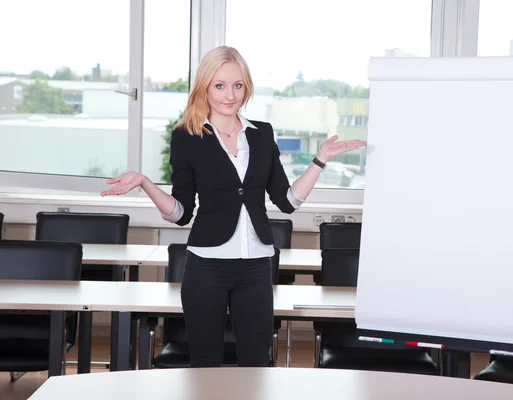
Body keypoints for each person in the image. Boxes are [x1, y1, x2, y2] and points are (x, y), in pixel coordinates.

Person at [100, 45, 366, 367]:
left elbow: (288, 201)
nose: (230, 95)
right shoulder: (187, 136)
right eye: (220, 85)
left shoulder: (262, 134)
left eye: (238, 85)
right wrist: (145, 183)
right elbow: (181, 213)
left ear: (247, 87)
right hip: (206, 267)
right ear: (205, 88)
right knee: (206, 363)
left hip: (256, 267)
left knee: (256, 363)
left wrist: (319, 159)